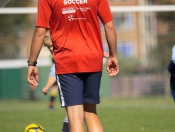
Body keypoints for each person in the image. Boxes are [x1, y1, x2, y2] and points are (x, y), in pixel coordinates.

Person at [27, 0, 119, 131]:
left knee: (75, 117)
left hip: (67, 61)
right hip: (92, 58)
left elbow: (40, 32)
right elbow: (109, 26)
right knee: (90, 112)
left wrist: (32, 63)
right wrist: (113, 55)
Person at [42, 35, 69, 132]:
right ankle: (50, 106)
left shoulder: (65, 51)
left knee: (75, 114)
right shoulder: (55, 58)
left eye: (51, 46)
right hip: (66, 82)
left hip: (75, 82)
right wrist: (47, 86)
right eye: (48, 47)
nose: (50, 49)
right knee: (73, 114)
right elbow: (54, 71)